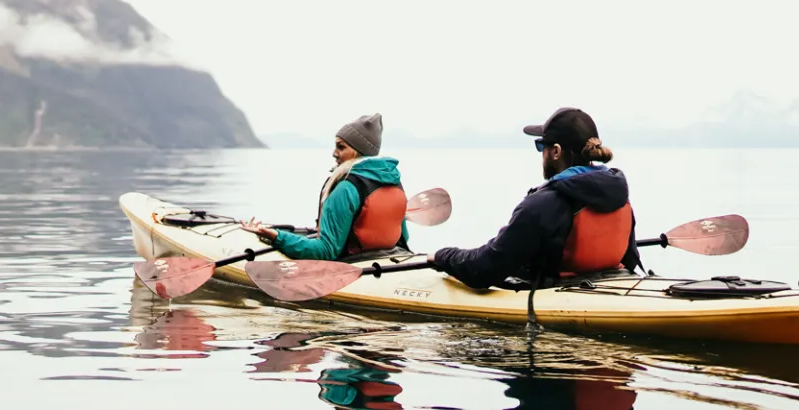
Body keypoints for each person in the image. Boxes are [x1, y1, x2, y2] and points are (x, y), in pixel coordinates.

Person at [430, 107, 640, 290]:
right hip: (607, 284)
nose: (541, 154)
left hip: (559, 291)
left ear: (556, 151)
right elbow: (630, 259)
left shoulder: (542, 204)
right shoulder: (618, 193)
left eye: (541, 146)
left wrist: (443, 256)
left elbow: (484, 270)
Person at [241, 112, 410, 260]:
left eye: (341, 147)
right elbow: (403, 238)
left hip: (352, 263)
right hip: (388, 259)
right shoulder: (394, 183)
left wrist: (276, 237)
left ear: (358, 151)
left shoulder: (346, 189)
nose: (334, 153)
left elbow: (326, 251)